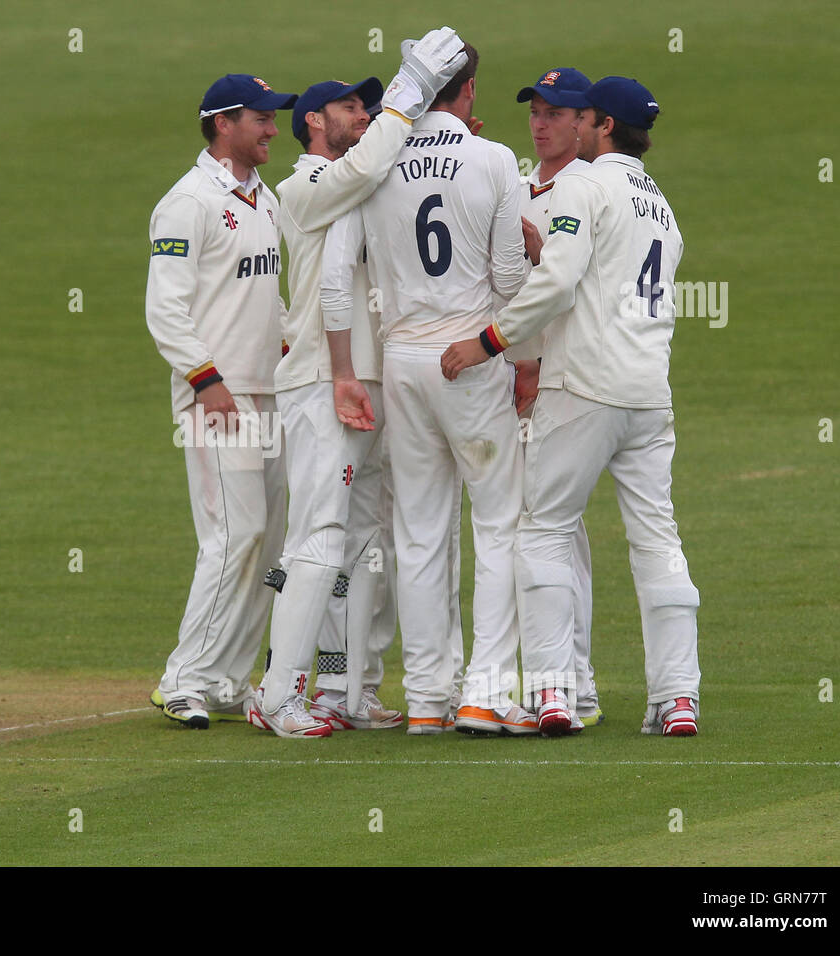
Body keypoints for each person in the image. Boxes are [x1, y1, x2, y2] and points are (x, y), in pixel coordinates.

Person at [441, 77, 700, 737]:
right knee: (658, 541)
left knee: (545, 529)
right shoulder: (662, 204)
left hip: (583, 384)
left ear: (602, 125)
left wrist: (490, 342)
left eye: (581, 117)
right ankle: (677, 699)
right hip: (650, 393)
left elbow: (557, 283)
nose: (569, 126)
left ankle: (556, 693)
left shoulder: (584, 185)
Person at [248, 28, 472, 738]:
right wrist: (411, 92)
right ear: (314, 121)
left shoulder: (366, 179)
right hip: (321, 380)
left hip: (376, 380)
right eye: (351, 105)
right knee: (318, 538)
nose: (364, 114)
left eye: (370, 104)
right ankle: (278, 692)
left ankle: (346, 686)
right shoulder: (304, 184)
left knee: (368, 541)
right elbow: (362, 171)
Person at [326, 43, 536, 735]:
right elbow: (509, 280)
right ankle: (483, 691)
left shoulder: (377, 161)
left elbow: (340, 273)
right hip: (469, 357)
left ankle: (426, 699)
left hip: (401, 359)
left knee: (416, 531)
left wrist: (347, 366)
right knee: (499, 522)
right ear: (468, 91)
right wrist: (516, 349)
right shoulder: (495, 159)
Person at [145, 75, 298, 729]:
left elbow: (269, 298)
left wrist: (295, 346)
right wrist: (207, 381)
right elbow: (165, 309)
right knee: (234, 534)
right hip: (218, 396)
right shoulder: (187, 203)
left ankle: (230, 677)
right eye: (262, 119)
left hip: (267, 392)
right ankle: (182, 678)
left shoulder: (263, 199)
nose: (272, 130)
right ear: (224, 123)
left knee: (267, 541)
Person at [499, 67, 603, 729]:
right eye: (535, 111)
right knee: (538, 532)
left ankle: (568, 682)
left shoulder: (586, 192)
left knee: (552, 535)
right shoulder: (512, 179)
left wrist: (525, 364)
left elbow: (569, 289)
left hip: (553, 383)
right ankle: (564, 681)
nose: (541, 123)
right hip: (501, 387)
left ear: (585, 121)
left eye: (556, 113)